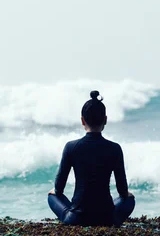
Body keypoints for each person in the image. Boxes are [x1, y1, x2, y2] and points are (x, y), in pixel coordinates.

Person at [48, 90, 135, 226]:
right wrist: (127, 195)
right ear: (105, 120)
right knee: (130, 200)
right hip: (107, 219)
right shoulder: (114, 148)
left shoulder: (71, 147)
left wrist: (56, 192)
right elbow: (122, 191)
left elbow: (59, 188)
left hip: (76, 219)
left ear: (82, 120)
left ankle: (73, 212)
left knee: (52, 196)